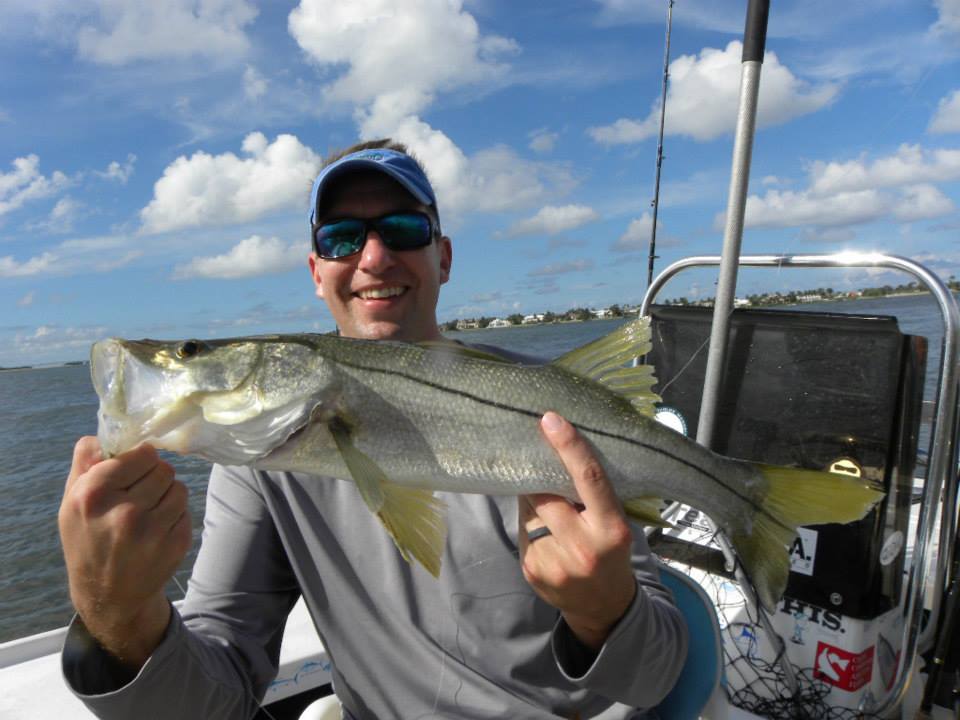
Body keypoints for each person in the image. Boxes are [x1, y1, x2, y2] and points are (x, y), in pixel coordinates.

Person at [59, 140, 688, 719]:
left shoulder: (556, 415)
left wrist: (607, 612)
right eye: (340, 238)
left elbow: (655, 677)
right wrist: (118, 615)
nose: (374, 257)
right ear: (316, 271)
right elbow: (215, 696)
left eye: (404, 229)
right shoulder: (255, 458)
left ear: (442, 258)